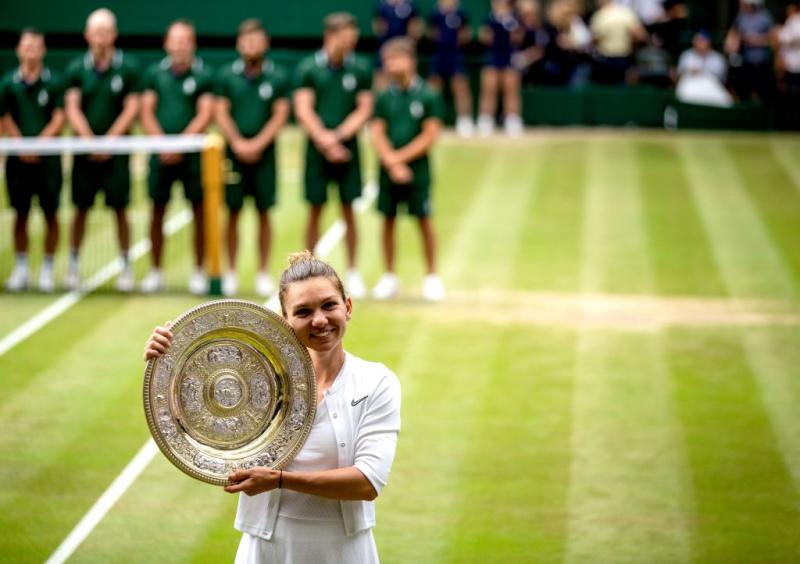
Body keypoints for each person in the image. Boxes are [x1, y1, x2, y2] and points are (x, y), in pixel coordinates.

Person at [143, 250, 401, 564]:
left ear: (347, 307)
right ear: (285, 321)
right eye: (303, 311)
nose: (319, 320)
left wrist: (279, 480)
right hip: (265, 549)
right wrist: (165, 359)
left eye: (329, 305)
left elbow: (367, 482)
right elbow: (196, 415)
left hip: (345, 551)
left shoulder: (376, 382)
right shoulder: (256, 382)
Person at [293, 13, 373, 299]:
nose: (350, 44)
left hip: (348, 151)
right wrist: (325, 141)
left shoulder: (361, 68)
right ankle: (307, 273)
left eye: (353, 39)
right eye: (345, 39)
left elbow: (364, 109)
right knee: (315, 208)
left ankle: (353, 272)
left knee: (349, 209)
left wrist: (338, 137)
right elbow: (303, 109)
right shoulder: (308, 69)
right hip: (317, 151)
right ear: (330, 36)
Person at [63, 8, 140, 291]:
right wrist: (90, 142)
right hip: (85, 155)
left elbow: (131, 108)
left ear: (114, 35)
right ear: (87, 35)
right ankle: (73, 266)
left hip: (116, 155)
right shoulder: (75, 69)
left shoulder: (128, 68)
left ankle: (126, 267)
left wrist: (108, 142)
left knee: (120, 209)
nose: (101, 38)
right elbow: (72, 107)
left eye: (105, 32)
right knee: (80, 209)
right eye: (96, 32)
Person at [215, 19, 290, 297]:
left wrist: (257, 144)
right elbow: (220, 112)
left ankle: (262, 272)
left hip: (265, 156)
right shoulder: (226, 75)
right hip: (233, 155)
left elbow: (280, 115)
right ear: (238, 44)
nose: (252, 46)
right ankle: (231, 272)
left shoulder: (278, 76)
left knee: (264, 212)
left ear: (265, 44)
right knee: (232, 212)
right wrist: (237, 143)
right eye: (247, 41)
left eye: (257, 41)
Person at [139, 19, 215, 295]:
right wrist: (163, 145)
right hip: (160, 156)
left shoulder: (204, 75)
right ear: (167, 44)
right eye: (176, 40)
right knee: (157, 211)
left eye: (185, 40)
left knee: (199, 212)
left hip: (193, 156)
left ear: (192, 44)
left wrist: (181, 145)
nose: (180, 45)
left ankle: (198, 272)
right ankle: (156, 272)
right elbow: (146, 111)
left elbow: (205, 114)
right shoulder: (154, 74)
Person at [370, 38, 446, 302]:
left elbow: (430, 135)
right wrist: (392, 162)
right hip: (388, 171)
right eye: (388, 60)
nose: (391, 65)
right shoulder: (383, 97)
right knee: (387, 220)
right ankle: (389, 276)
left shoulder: (429, 95)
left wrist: (398, 160)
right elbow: (377, 132)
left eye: (396, 59)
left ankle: (432, 277)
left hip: (418, 172)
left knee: (424, 220)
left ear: (411, 61)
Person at [2, 28, 66, 292]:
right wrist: (21, 146)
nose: (31, 51)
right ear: (19, 50)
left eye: (36, 47)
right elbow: (4, 117)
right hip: (18, 161)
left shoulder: (55, 82)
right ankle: (21, 268)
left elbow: (60, 118)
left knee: (51, 214)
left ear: (43, 50)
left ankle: (48, 269)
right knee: (20, 214)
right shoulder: (8, 83)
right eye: (27, 46)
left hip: (48, 161)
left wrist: (38, 146)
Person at [426, 0, 475, 137]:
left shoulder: (462, 13)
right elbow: (431, 32)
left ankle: (464, 121)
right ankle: (431, 120)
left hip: (456, 55)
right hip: (438, 55)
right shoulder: (434, 13)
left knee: (460, 86)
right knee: (434, 87)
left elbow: (466, 34)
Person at [477, 0, 524, 136]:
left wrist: (508, 25)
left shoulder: (515, 17)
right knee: (489, 89)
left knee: (511, 89)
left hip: (509, 57)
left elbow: (518, 37)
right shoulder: (489, 17)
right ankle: (485, 121)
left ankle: (513, 120)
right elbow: (484, 37)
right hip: (492, 57)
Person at [724, 0, 777, 102]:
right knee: (744, 91)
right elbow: (734, 32)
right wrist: (732, 42)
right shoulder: (741, 16)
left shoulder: (765, 16)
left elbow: (774, 38)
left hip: (762, 61)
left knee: (763, 92)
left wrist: (756, 40)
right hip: (744, 61)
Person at [589, 0, 648, 85]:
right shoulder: (626, 13)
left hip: (605, 60)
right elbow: (641, 35)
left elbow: (594, 40)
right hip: (623, 58)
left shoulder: (599, 16)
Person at [373, 0, 423, 88]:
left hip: (405, 48)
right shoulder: (381, 6)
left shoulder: (411, 5)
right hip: (386, 47)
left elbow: (415, 26)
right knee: (381, 75)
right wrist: (388, 46)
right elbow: (378, 26)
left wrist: (409, 43)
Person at [676, 31, 732, 107]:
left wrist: (701, 73)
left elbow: (721, 79)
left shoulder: (718, 58)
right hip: (690, 86)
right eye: (697, 40)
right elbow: (679, 74)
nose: (699, 43)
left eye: (702, 41)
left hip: (710, 89)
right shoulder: (687, 55)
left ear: (708, 42)